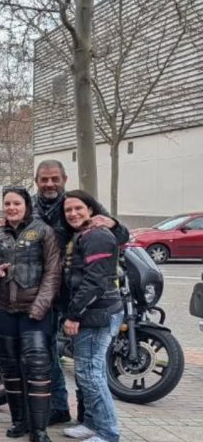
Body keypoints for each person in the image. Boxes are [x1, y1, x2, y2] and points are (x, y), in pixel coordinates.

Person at [31, 159, 129, 425]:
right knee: (48, 351)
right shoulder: (29, 206)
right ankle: (58, 407)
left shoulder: (78, 204)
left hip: (79, 293)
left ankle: (90, 416)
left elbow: (119, 236)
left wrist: (114, 224)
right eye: (44, 179)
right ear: (36, 180)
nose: (49, 184)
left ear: (64, 178)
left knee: (84, 360)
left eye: (55, 179)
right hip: (44, 291)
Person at [0, 186, 61, 442]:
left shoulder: (44, 231)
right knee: (9, 367)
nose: (11, 208)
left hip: (34, 311)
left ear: (26, 205)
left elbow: (53, 272)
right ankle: (19, 421)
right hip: (0, 309)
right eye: (7, 204)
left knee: (37, 367)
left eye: (17, 204)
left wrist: (39, 307)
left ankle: (40, 428)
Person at [58, 190, 123, 442]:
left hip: (98, 313)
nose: (73, 213)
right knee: (85, 372)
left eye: (78, 208)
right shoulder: (84, 235)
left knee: (91, 373)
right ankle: (92, 423)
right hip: (93, 313)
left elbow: (94, 281)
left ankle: (108, 431)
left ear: (91, 209)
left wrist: (74, 314)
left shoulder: (98, 236)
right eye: (68, 210)